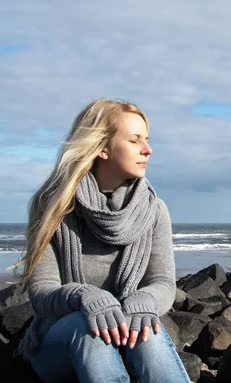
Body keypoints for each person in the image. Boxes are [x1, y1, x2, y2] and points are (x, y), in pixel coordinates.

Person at [17, 99, 191, 382]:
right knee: (85, 324)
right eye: (135, 141)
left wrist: (143, 300)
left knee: (145, 323)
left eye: (146, 140)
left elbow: (163, 283)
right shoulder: (54, 206)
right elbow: (41, 293)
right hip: (63, 343)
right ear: (102, 148)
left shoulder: (154, 209)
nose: (148, 149)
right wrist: (86, 297)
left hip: (128, 336)